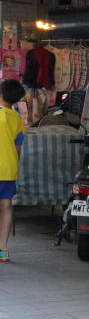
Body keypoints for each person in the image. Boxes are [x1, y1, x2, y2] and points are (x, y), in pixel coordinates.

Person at [0, 79, 26, 262]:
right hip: (8, 167)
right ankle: (2, 250)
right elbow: (18, 148)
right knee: (6, 207)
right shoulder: (16, 118)